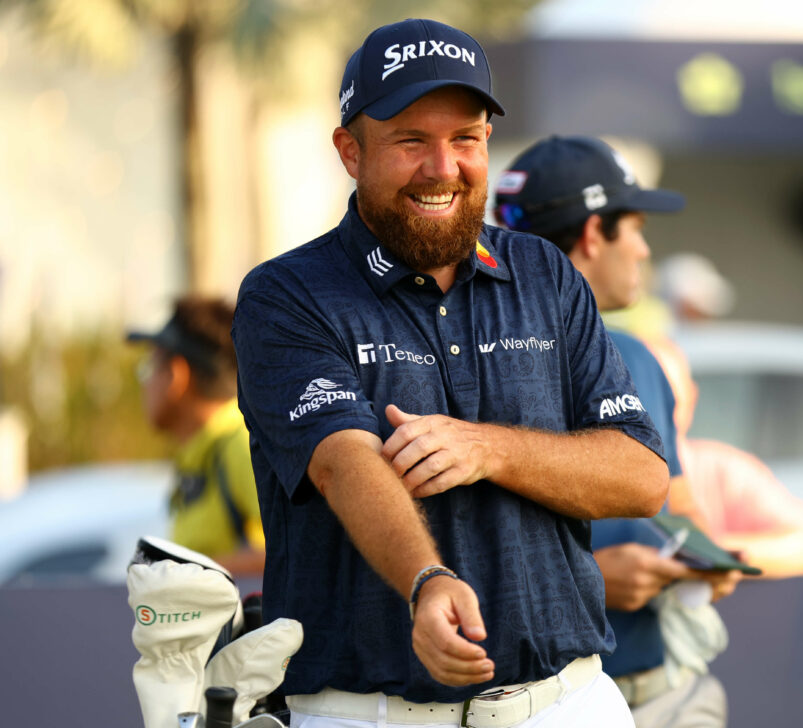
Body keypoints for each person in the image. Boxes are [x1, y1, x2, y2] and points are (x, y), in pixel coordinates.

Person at [231, 19, 669, 728]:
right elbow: (343, 463)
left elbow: (642, 476)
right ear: (350, 151)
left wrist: (488, 448)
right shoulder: (287, 295)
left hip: (570, 703)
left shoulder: (545, 275)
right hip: (365, 713)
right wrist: (426, 582)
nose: (443, 167)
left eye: (464, 139)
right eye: (411, 141)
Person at [494, 135, 738, 728]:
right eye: (633, 227)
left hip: (664, 692)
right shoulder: (473, 365)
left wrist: (706, 558)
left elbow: (678, 506)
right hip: (534, 703)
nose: (644, 248)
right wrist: (592, 581)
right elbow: (437, 565)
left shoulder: (635, 353)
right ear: (592, 236)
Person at [644, 337, 803, 578]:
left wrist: (710, 555)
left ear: (691, 399)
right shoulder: (599, 478)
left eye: (668, 399)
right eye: (642, 400)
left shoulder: (724, 470)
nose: (654, 414)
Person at [127, 296, 265, 576]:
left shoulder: (242, 445)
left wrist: (183, 574)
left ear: (177, 375)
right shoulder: (202, 452)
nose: (145, 383)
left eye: (148, 368)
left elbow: (295, 553)